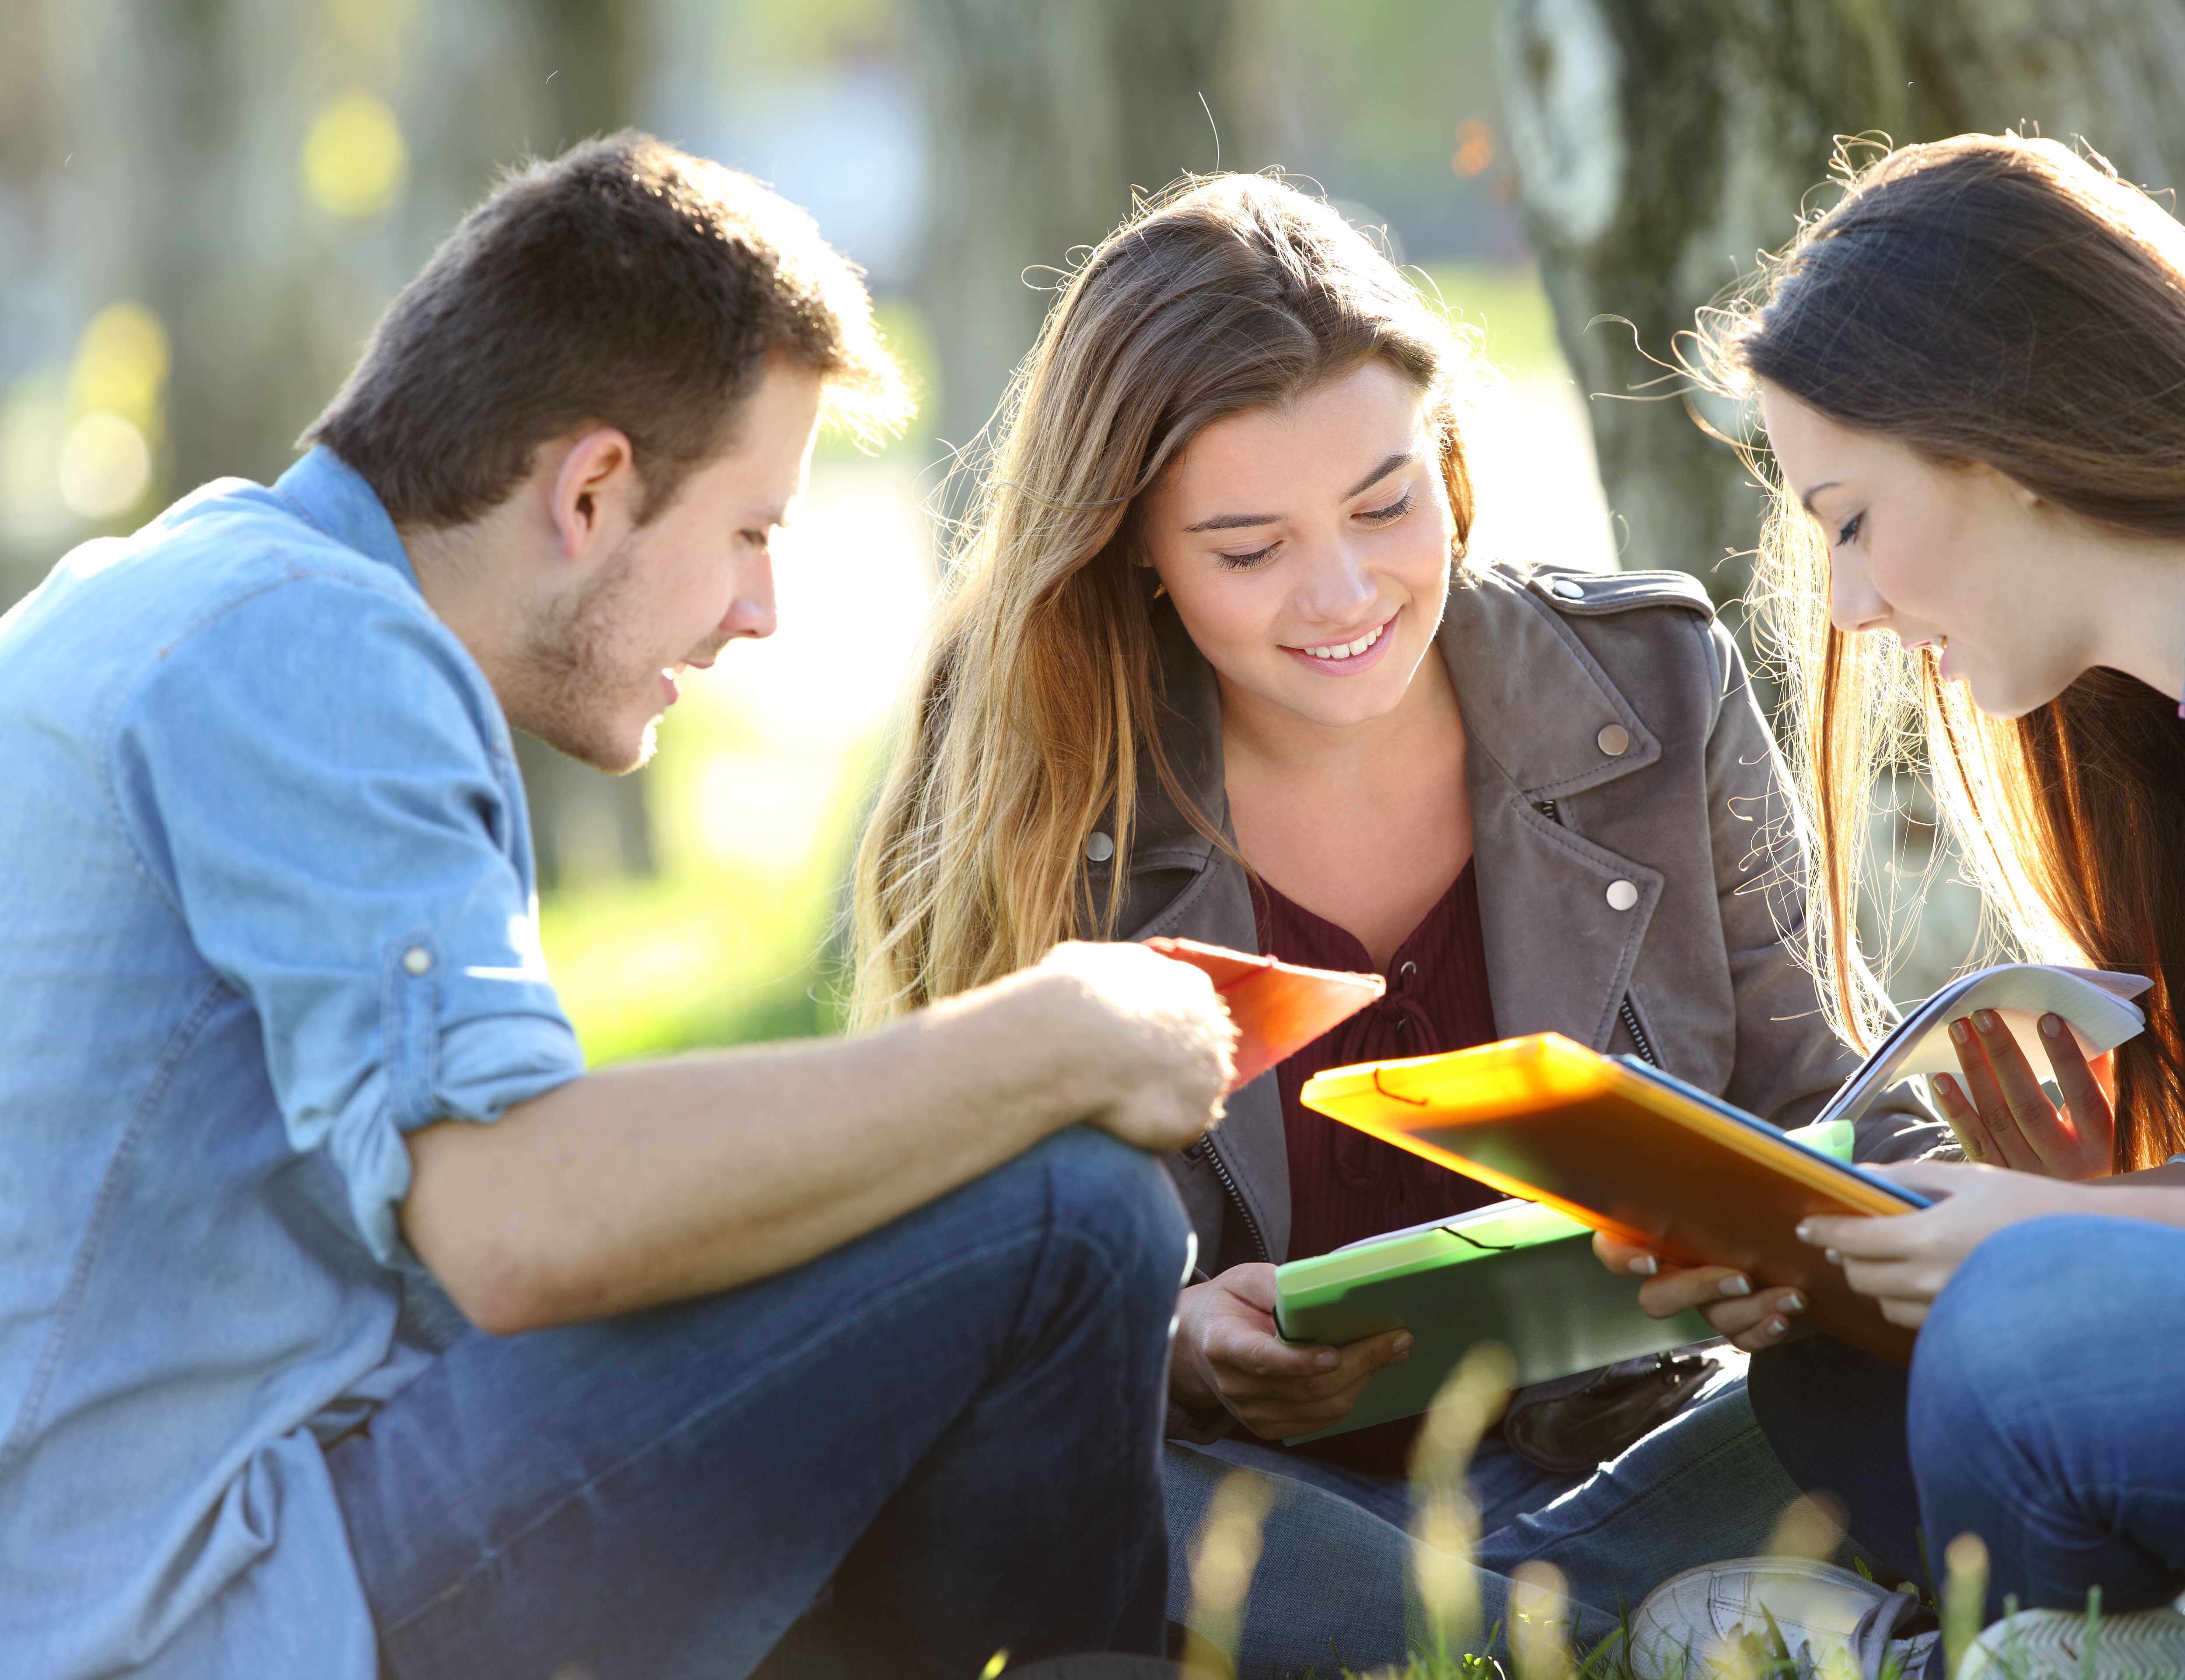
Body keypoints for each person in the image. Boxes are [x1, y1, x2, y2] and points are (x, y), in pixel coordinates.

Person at [0, 133, 1244, 1680]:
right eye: (750, 530)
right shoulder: (317, 653)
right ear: (591, 490)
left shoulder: (187, 596)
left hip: (147, 1562)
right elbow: (521, 1226)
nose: (761, 609)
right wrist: (1050, 1035)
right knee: (1077, 1213)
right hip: (198, 1615)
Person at [851, 172, 1948, 1672]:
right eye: (1250, 550)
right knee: (997, 1487)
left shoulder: (1654, 684)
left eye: (1387, 503)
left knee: (1948, 1382)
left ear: (1448, 458)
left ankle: (1471, 1634)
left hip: (1645, 1445)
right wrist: (1178, 1351)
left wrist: (1803, 1246)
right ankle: (1598, 1636)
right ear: (1137, 555)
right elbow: (970, 1295)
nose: (1346, 589)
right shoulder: (1035, 797)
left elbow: (1827, 1113)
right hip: (1258, 1492)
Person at [1672, 131, 2185, 1667]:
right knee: (1849, 1346)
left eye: (1851, 520)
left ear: (1995, 438)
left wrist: (2052, 1251)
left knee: (2027, 1332)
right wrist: (1955, 1224)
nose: (1854, 605)